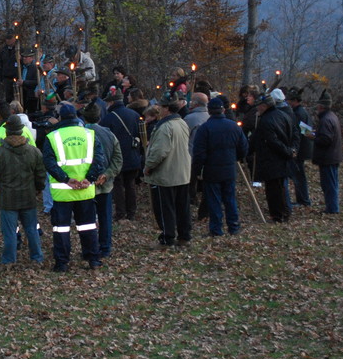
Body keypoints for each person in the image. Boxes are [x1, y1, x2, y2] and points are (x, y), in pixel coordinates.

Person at [43, 103, 106, 271]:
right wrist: (89, 178)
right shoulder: (89, 134)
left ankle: (62, 263)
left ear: (61, 118)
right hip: (85, 190)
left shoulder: (53, 137)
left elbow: (49, 163)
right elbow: (99, 159)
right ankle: (93, 259)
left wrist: (65, 179)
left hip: (62, 193)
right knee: (88, 226)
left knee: (61, 229)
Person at [0, 115, 45, 265]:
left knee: (10, 232)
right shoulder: (34, 152)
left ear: (6, 132)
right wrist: (38, 189)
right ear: (21, 131)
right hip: (28, 197)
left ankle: (8, 261)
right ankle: (37, 258)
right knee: (31, 230)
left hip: (7, 199)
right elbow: (40, 176)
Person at [191, 97, 248, 237]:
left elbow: (199, 153)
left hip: (211, 170)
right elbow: (244, 148)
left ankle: (216, 229)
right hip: (229, 169)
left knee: (214, 200)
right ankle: (233, 226)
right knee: (230, 198)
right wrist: (235, 158)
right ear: (223, 109)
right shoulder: (234, 126)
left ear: (209, 111)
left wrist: (196, 170)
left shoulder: (204, 129)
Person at [144, 99, 192, 246]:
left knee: (165, 208)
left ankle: (167, 238)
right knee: (182, 207)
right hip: (182, 173)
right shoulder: (182, 122)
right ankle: (184, 236)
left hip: (166, 174)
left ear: (166, 109)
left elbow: (159, 152)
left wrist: (148, 166)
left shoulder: (165, 127)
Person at [248, 92, 298, 223]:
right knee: (281, 187)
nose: (257, 108)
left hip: (272, 160)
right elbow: (294, 134)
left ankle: (278, 215)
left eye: (259, 106)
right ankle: (285, 212)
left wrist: (288, 151)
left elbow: (272, 141)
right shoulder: (284, 115)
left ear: (264, 106)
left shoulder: (266, 121)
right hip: (283, 159)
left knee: (274, 190)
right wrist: (293, 150)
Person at [83, 103, 122, 258]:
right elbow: (118, 159)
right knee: (105, 217)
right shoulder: (109, 135)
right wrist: (106, 175)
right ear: (100, 117)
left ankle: (90, 249)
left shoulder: (81, 135)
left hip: (85, 185)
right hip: (105, 185)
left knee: (87, 220)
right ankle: (105, 248)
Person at [101, 92, 142, 221]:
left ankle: (120, 212)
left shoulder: (108, 119)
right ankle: (131, 212)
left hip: (117, 157)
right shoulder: (135, 115)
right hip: (133, 154)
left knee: (117, 185)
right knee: (130, 185)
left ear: (111, 102)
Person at [311, 89, 343, 214]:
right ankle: (332, 207)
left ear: (321, 106)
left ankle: (332, 209)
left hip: (328, 157)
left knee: (329, 185)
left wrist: (313, 137)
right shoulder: (332, 117)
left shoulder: (325, 120)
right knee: (332, 183)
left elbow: (325, 139)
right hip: (333, 156)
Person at [287, 88, 314, 207]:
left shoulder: (299, 114)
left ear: (295, 101)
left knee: (299, 176)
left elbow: (301, 132)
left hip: (300, 149)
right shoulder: (302, 112)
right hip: (303, 148)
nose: (288, 103)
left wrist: (295, 149)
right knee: (299, 175)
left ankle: (303, 200)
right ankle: (302, 199)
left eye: (290, 100)